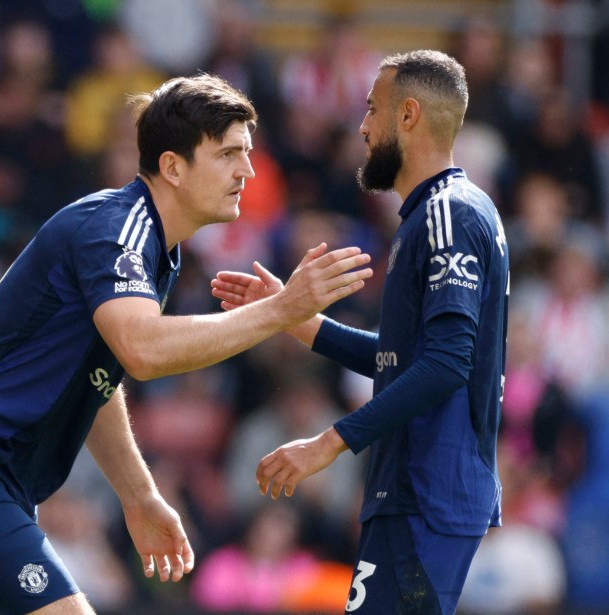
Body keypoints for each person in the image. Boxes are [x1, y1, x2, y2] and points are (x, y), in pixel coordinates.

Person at [0, 73, 373, 615]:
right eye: (229, 154)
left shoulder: (152, 246)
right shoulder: (119, 230)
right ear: (172, 166)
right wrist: (280, 310)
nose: (248, 171)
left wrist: (139, 496)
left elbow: (100, 377)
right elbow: (143, 350)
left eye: (248, 153)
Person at [212, 50, 510, 614]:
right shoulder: (432, 216)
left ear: (409, 115)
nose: (362, 126)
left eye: (372, 110)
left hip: (427, 490)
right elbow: (408, 360)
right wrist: (294, 317)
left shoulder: (448, 215)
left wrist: (329, 443)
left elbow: (448, 364)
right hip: (415, 492)